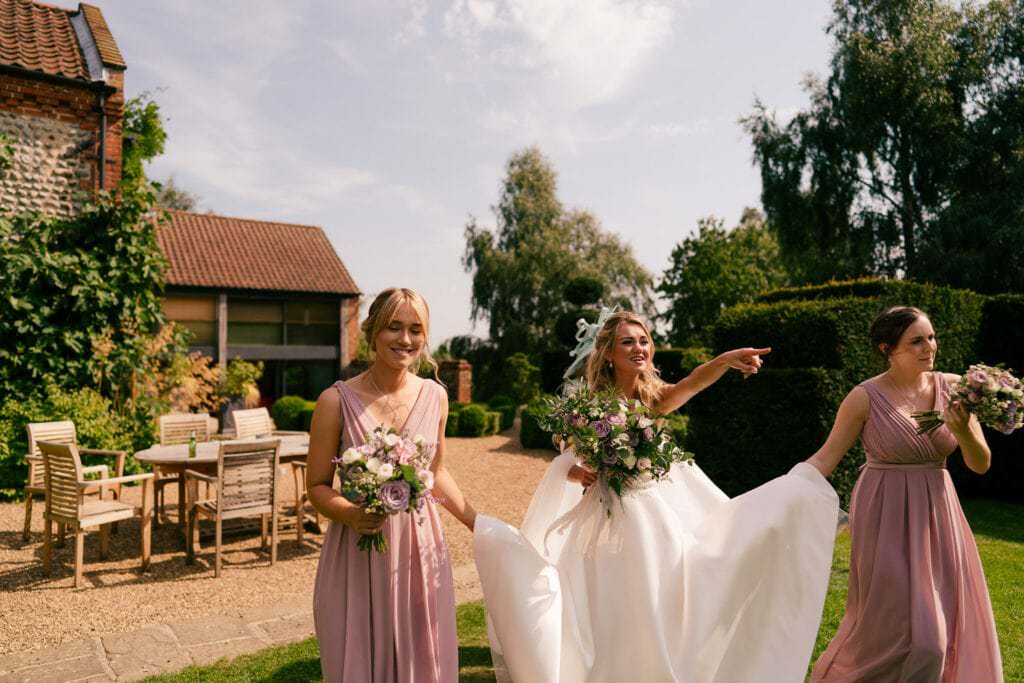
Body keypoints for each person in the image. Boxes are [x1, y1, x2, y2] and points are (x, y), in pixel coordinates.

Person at [473, 310, 840, 683]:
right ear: (608, 352)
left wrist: (725, 360)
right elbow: (567, 458)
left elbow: (692, 382)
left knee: (666, 589)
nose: (639, 348)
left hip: (652, 513)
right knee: (618, 598)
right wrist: (579, 471)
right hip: (606, 514)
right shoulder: (588, 404)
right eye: (627, 342)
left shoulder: (652, 398)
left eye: (644, 340)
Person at [808, 306, 1002, 682]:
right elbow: (826, 457)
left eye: (931, 337)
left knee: (935, 640)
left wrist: (963, 431)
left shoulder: (956, 388)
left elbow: (981, 463)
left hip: (938, 513)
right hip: (884, 513)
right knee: (891, 626)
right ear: (887, 349)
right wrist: (787, 488)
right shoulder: (864, 397)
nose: (929, 347)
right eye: (916, 341)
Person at [307, 288, 477, 683]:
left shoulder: (436, 396)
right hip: (356, 550)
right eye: (394, 327)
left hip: (419, 549)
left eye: (416, 330)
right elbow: (316, 485)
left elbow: (436, 472)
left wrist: (478, 524)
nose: (405, 339)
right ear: (372, 332)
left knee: (422, 657)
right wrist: (351, 514)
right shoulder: (334, 401)